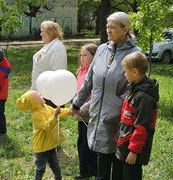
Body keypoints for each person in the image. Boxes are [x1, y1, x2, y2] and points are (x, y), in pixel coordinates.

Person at [69, 12, 140, 180]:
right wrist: (77, 103)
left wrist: (116, 106)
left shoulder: (135, 54)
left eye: (113, 27)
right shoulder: (101, 50)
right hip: (98, 114)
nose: (108, 30)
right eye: (107, 26)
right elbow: (89, 80)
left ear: (125, 29)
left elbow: (135, 90)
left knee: (116, 161)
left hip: (119, 118)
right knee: (101, 159)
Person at [115, 51, 159, 180]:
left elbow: (142, 127)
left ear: (134, 72)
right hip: (124, 145)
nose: (124, 74)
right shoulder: (134, 89)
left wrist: (134, 151)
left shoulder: (143, 97)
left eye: (125, 71)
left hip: (133, 151)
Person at [16, 90, 70, 180]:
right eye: (40, 96)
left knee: (55, 164)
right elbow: (46, 126)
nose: (43, 96)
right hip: (42, 147)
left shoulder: (45, 106)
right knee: (40, 168)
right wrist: (55, 116)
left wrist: (68, 111)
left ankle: (58, 178)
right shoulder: (36, 115)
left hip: (51, 144)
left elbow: (56, 111)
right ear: (35, 101)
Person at [74, 44, 98, 180]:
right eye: (81, 55)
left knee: (90, 146)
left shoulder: (95, 73)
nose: (82, 58)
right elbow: (78, 90)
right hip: (79, 113)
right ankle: (84, 172)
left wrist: (82, 109)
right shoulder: (81, 71)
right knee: (81, 143)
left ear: (94, 57)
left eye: (85, 55)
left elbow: (95, 96)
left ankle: (94, 171)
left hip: (89, 113)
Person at [31, 20, 67, 108]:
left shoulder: (57, 48)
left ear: (49, 32)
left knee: (49, 120)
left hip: (50, 96)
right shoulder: (49, 45)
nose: (40, 34)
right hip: (42, 93)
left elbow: (59, 72)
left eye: (41, 31)